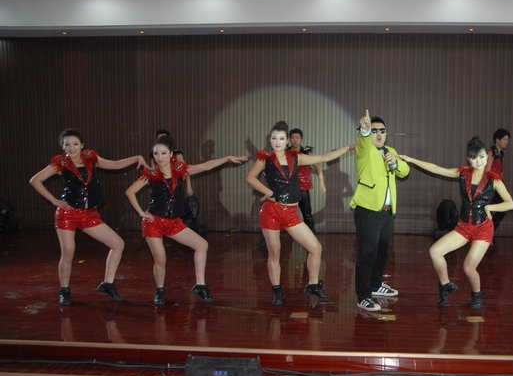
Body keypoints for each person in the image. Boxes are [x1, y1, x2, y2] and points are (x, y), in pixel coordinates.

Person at [29, 129, 148, 306]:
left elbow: (115, 164)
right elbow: (35, 180)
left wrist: (136, 158)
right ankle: (64, 290)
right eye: (67, 144)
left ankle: (108, 283)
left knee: (118, 244)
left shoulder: (91, 159)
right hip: (68, 214)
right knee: (68, 252)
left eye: (75, 144)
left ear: (82, 145)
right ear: (62, 146)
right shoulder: (61, 163)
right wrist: (54, 200)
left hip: (89, 214)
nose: (72, 148)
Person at [126, 136, 248, 305]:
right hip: (154, 222)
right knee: (160, 258)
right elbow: (130, 191)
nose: (159, 157)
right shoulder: (151, 174)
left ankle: (200, 285)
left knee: (202, 245)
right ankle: (160, 290)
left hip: (174, 223)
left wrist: (226, 158)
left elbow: (205, 166)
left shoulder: (180, 170)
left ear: (171, 154)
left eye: (163, 153)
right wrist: (141, 213)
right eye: (156, 154)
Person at [245, 121, 353, 306]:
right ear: (270, 140)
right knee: (275, 252)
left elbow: (323, 157)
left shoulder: (296, 158)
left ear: (287, 140)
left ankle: (313, 284)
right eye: (274, 138)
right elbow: (250, 178)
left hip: (291, 213)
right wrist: (269, 192)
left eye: (281, 138)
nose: (277, 142)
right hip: (271, 212)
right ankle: (277, 290)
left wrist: (348, 148)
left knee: (316, 248)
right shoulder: (265, 159)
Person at [400, 137, 513, 309]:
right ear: (469, 159)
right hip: (464, 226)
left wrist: (490, 207)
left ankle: (476, 294)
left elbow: (510, 204)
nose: (479, 161)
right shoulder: (463, 174)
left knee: (468, 267)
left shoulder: (494, 180)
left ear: (486, 157)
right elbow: (436, 169)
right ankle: (445, 284)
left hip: (483, 228)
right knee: (435, 251)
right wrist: (411, 160)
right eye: (474, 158)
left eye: (482, 157)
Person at [350, 110, 410, 312]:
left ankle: (376, 285)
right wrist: (364, 131)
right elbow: (362, 142)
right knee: (367, 254)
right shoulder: (364, 150)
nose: (379, 134)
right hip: (368, 210)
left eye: (382, 131)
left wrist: (396, 162)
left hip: (386, 210)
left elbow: (405, 171)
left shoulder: (390, 150)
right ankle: (363, 296)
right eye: (374, 131)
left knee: (383, 251)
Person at [289, 128, 326, 233]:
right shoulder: (285, 153)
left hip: (303, 189)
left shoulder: (306, 153)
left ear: (302, 139)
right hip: (288, 188)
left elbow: (318, 167)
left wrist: (321, 183)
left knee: (307, 214)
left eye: (297, 138)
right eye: (293, 138)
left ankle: (311, 236)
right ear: (289, 139)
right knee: (284, 214)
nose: (295, 140)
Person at [486, 128, 511, 231]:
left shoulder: (501, 154)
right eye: (504, 139)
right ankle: (488, 232)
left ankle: (490, 231)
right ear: (497, 140)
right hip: (491, 186)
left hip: (498, 185)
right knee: (491, 210)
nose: (506, 142)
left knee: (501, 209)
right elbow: (487, 170)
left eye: (507, 140)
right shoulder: (492, 152)